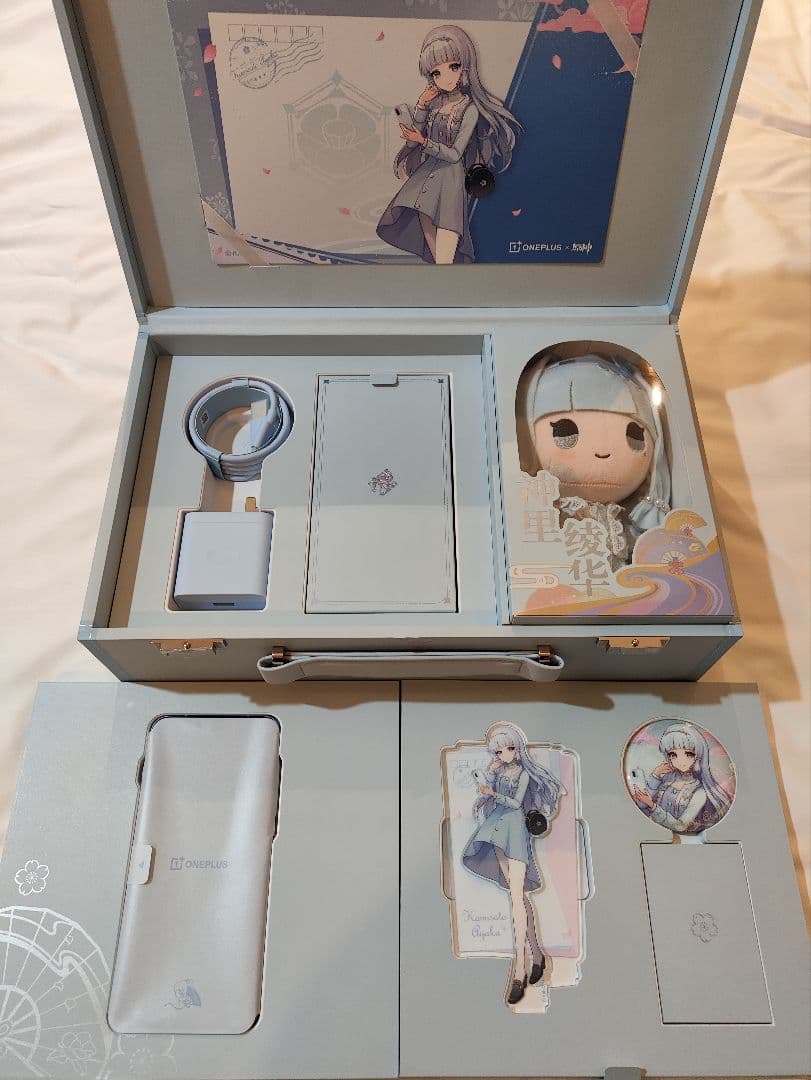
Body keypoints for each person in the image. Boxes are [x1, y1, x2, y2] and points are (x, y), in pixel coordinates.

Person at [376, 24, 520, 265]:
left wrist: (423, 141)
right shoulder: (434, 103)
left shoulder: (469, 109)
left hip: (451, 183)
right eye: (436, 72)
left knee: (446, 253)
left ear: (465, 67)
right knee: (439, 260)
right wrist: (421, 106)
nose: (446, 77)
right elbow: (415, 135)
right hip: (425, 180)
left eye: (453, 66)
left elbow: (455, 154)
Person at [524, 352, 671, 568]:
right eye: (566, 434)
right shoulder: (547, 514)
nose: (602, 451)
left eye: (633, 437)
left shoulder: (627, 519)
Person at [462, 723, 562, 1006]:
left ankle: (520, 971)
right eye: (499, 751)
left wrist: (493, 793)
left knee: (517, 899)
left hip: (515, 831)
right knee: (516, 896)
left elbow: (516, 803)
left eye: (509, 748)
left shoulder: (524, 774)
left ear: (518, 748)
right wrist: (491, 775)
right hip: (497, 829)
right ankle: (538, 956)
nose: (504, 754)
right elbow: (490, 791)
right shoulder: (500, 770)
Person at [633, 721, 733, 834]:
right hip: (645, 831)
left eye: (688, 754)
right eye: (673, 755)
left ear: (698, 755)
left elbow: (680, 826)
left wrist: (652, 806)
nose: (680, 761)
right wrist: (655, 776)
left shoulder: (699, 792)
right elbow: (641, 804)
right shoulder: (666, 778)